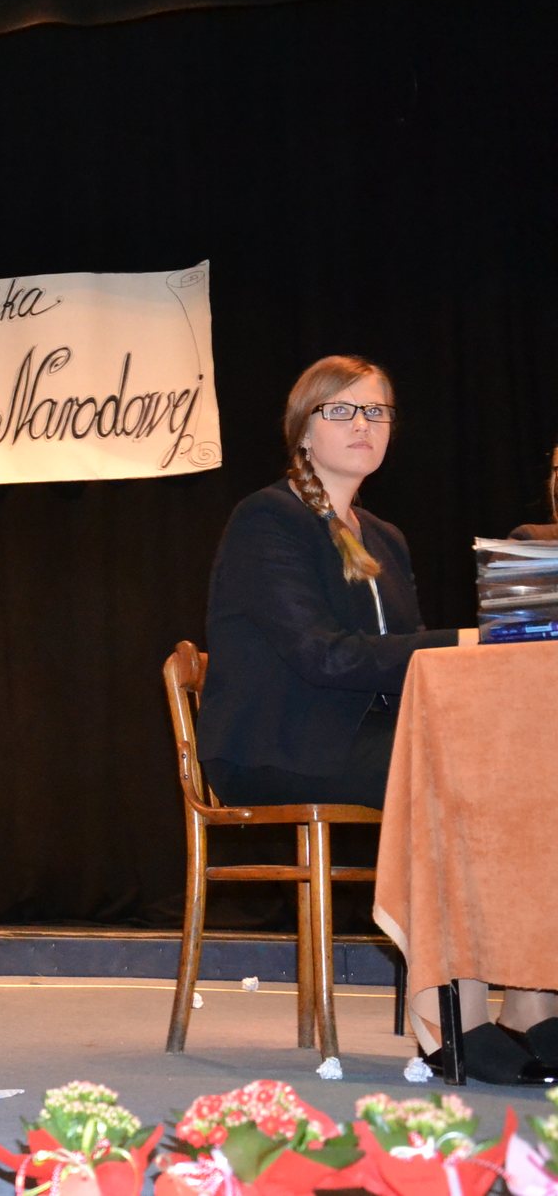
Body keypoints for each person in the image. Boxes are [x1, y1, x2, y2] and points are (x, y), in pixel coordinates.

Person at [198, 354, 557, 1086]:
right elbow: (324, 658)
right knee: (450, 778)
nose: (362, 424)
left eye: (376, 411)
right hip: (280, 742)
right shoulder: (269, 518)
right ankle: (449, 1016)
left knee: (524, 768)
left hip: (371, 736)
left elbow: (405, 666)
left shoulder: (384, 536)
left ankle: (531, 999)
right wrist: (470, 639)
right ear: (304, 430)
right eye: (341, 409)